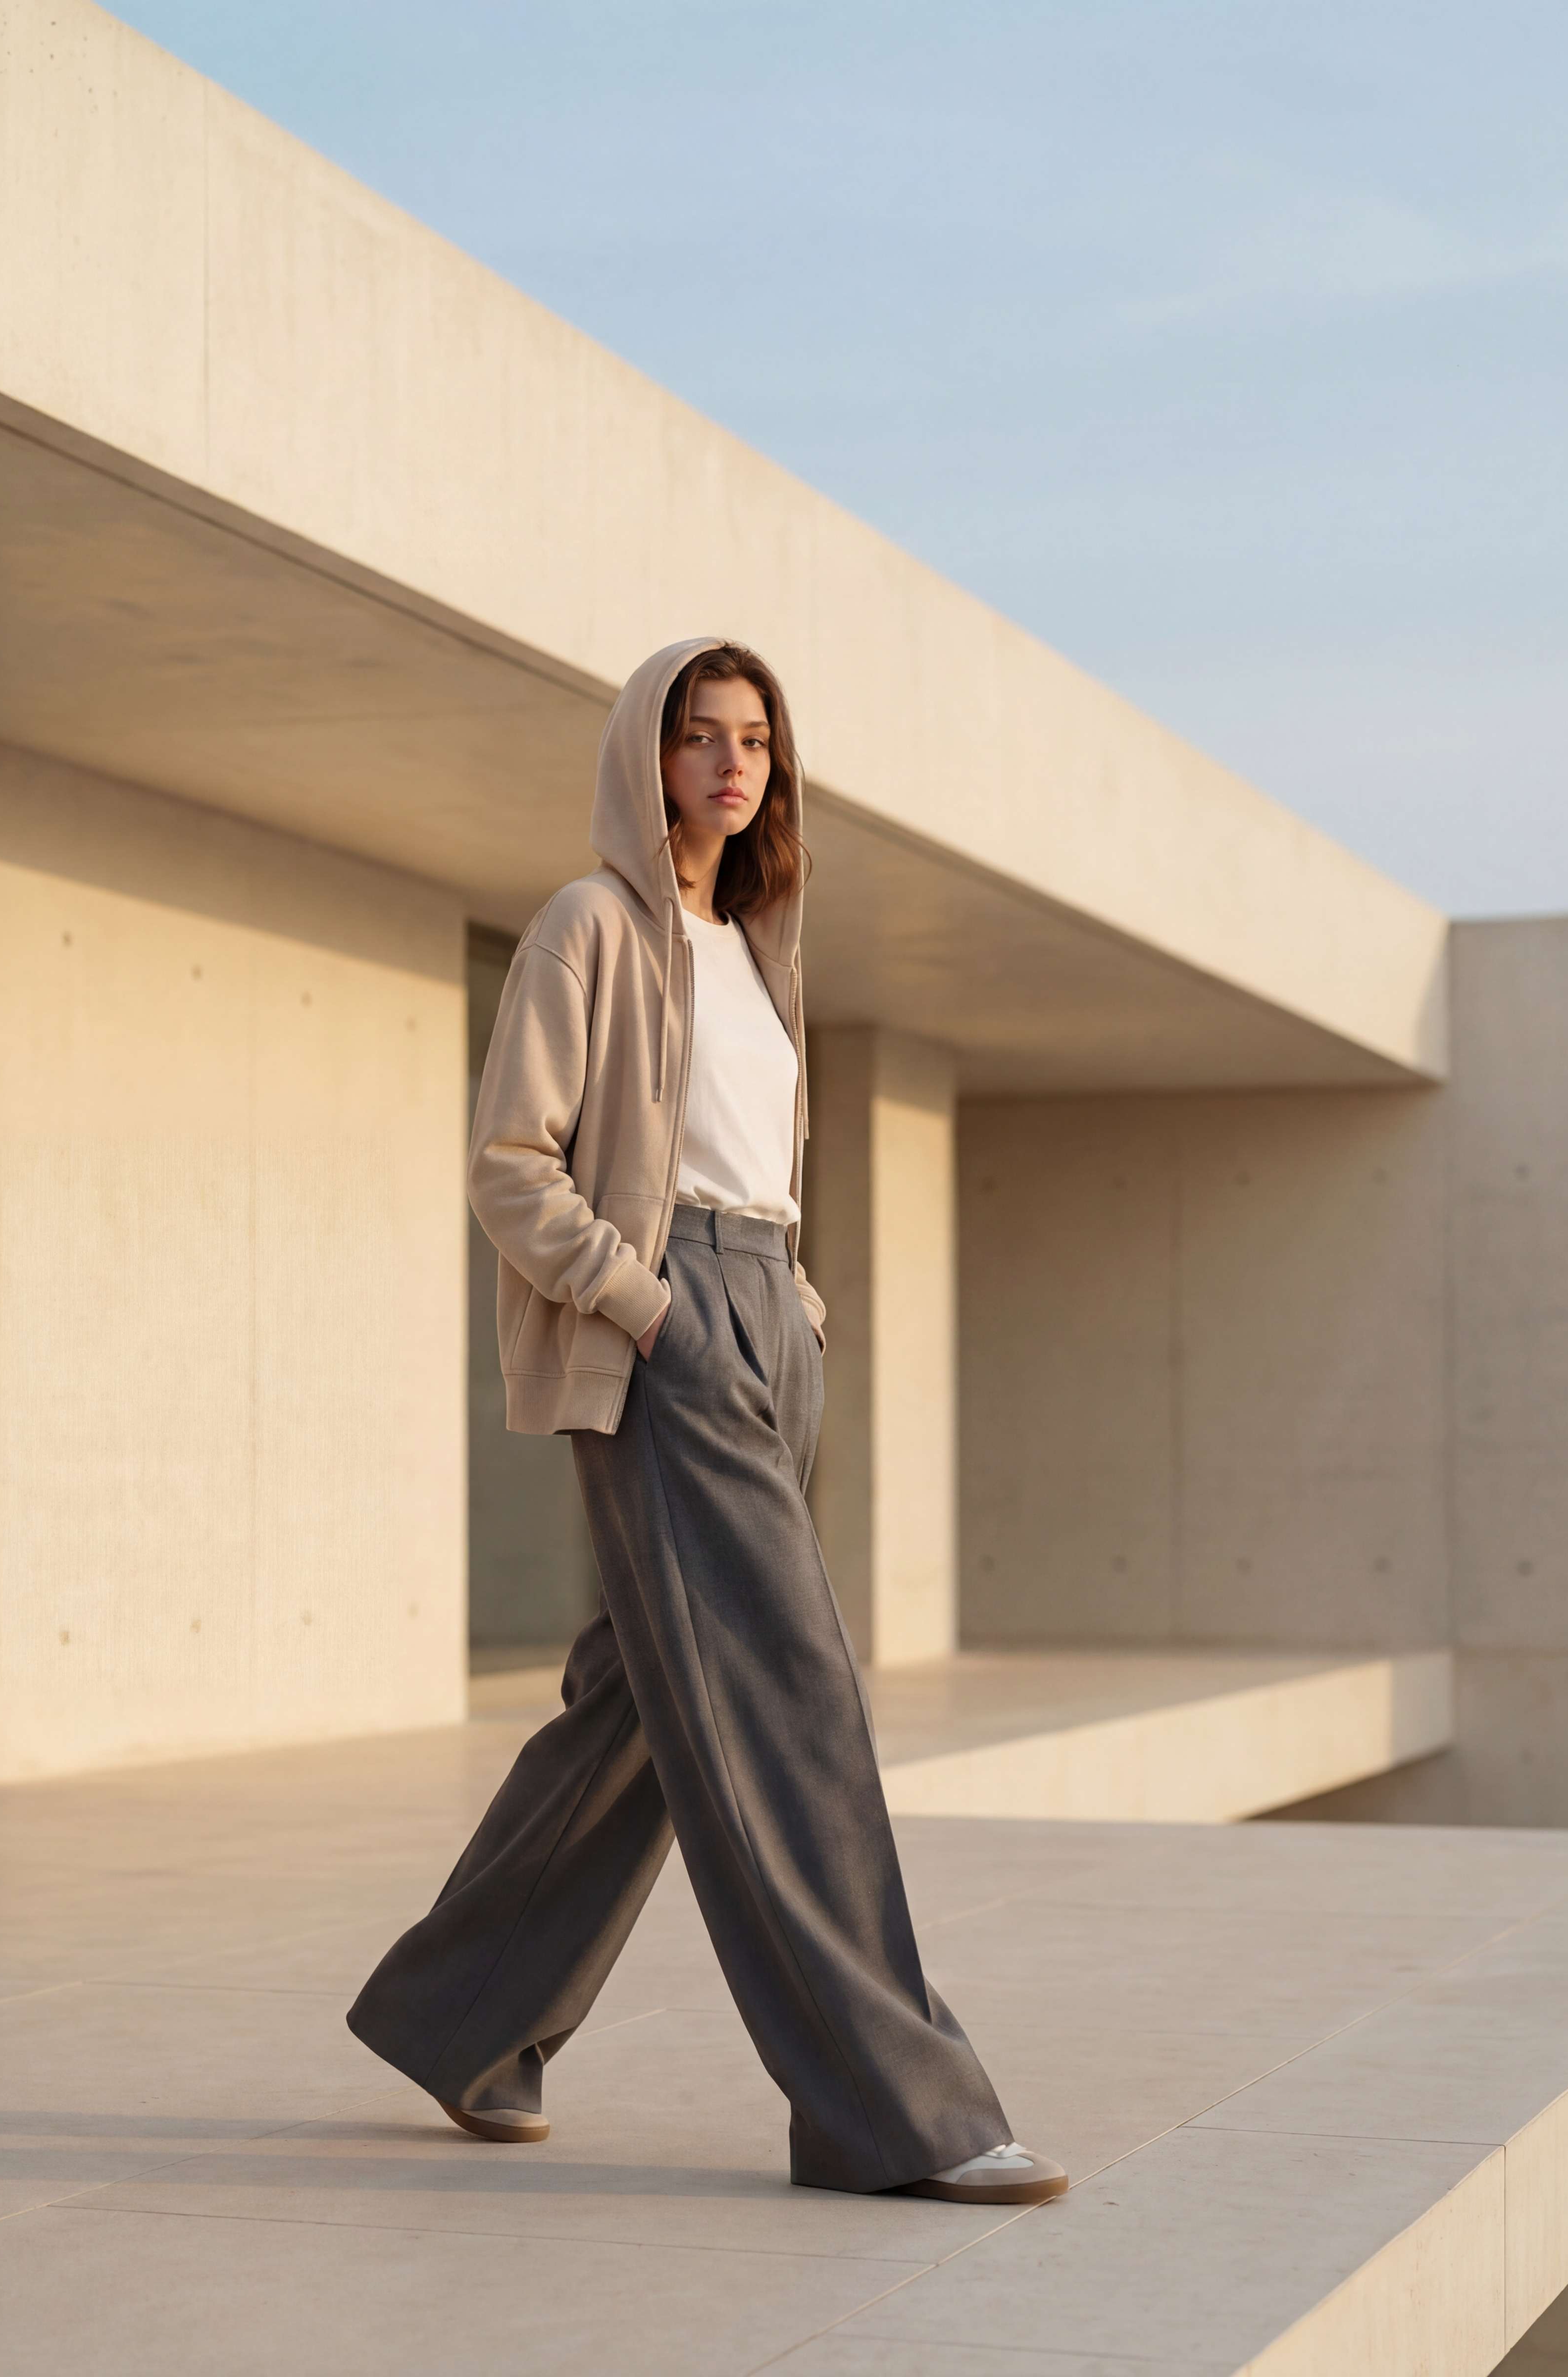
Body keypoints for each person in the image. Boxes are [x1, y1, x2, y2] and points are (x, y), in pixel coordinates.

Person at [348, 638, 1066, 2207]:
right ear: (646, 755)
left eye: (755, 739)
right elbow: (510, 1163)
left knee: (640, 1710)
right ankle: (894, 2111)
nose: (732, 764)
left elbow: (749, 1153)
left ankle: (455, 2019)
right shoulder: (589, 926)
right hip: (665, 1318)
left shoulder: (755, 946)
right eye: (700, 736)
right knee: (788, 1696)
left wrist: (790, 1297)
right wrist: (644, 1301)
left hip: (767, 1313)